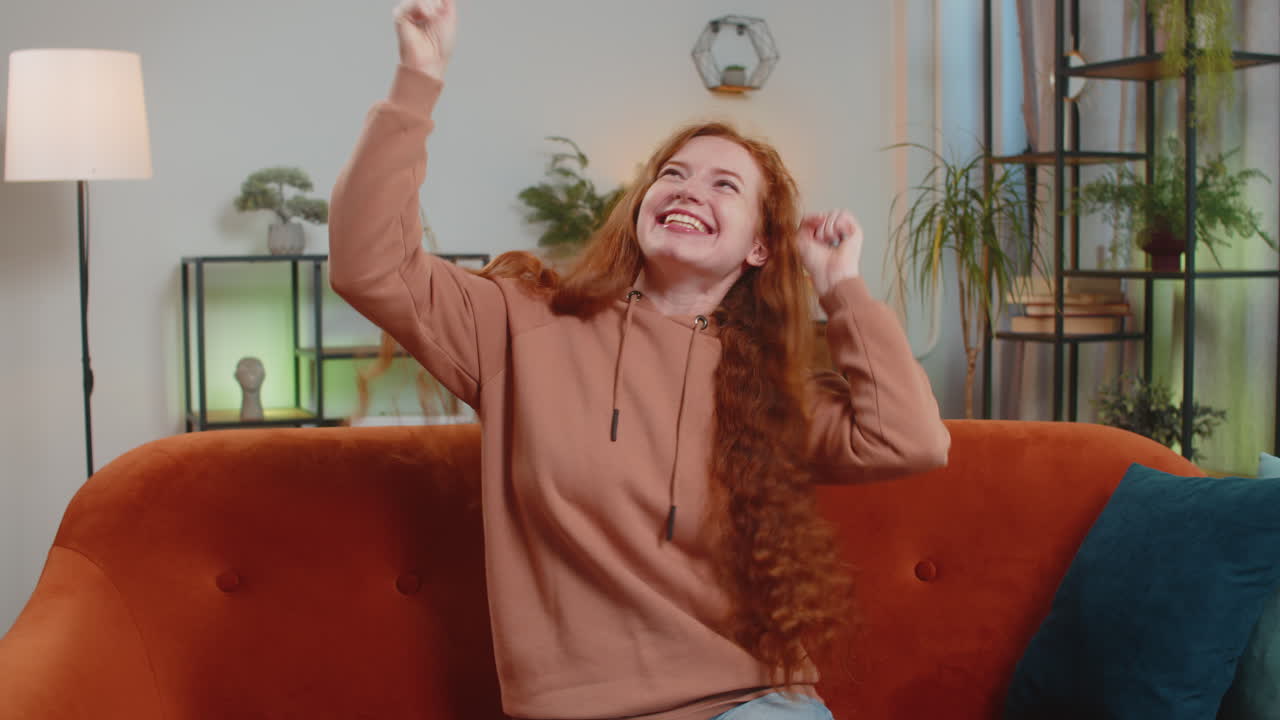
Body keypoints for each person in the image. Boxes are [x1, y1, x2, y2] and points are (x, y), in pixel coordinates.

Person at [328, 1, 950, 718]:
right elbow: (368, 266)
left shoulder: (766, 388)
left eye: (725, 185)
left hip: (751, 704)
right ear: (644, 203)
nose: (690, 189)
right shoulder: (521, 325)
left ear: (759, 248)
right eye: (673, 174)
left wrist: (839, 284)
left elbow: (910, 439)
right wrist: (418, 79)